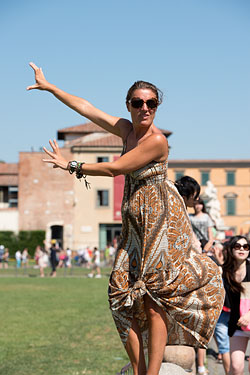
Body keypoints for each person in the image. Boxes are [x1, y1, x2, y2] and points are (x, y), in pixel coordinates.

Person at [27, 62, 224, 375]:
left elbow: (115, 168)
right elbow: (88, 109)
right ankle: (139, 368)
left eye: (151, 103)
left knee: (152, 297)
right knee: (119, 293)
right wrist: (51, 88)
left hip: (158, 221)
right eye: (138, 102)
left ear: (157, 107)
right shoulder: (126, 129)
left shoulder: (157, 141)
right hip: (133, 222)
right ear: (129, 106)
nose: (144, 108)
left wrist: (72, 165)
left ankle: (152, 372)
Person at [223, 235, 250, 375]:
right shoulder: (226, 273)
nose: (242, 249)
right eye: (237, 246)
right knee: (236, 367)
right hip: (237, 324)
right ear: (232, 249)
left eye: (245, 247)